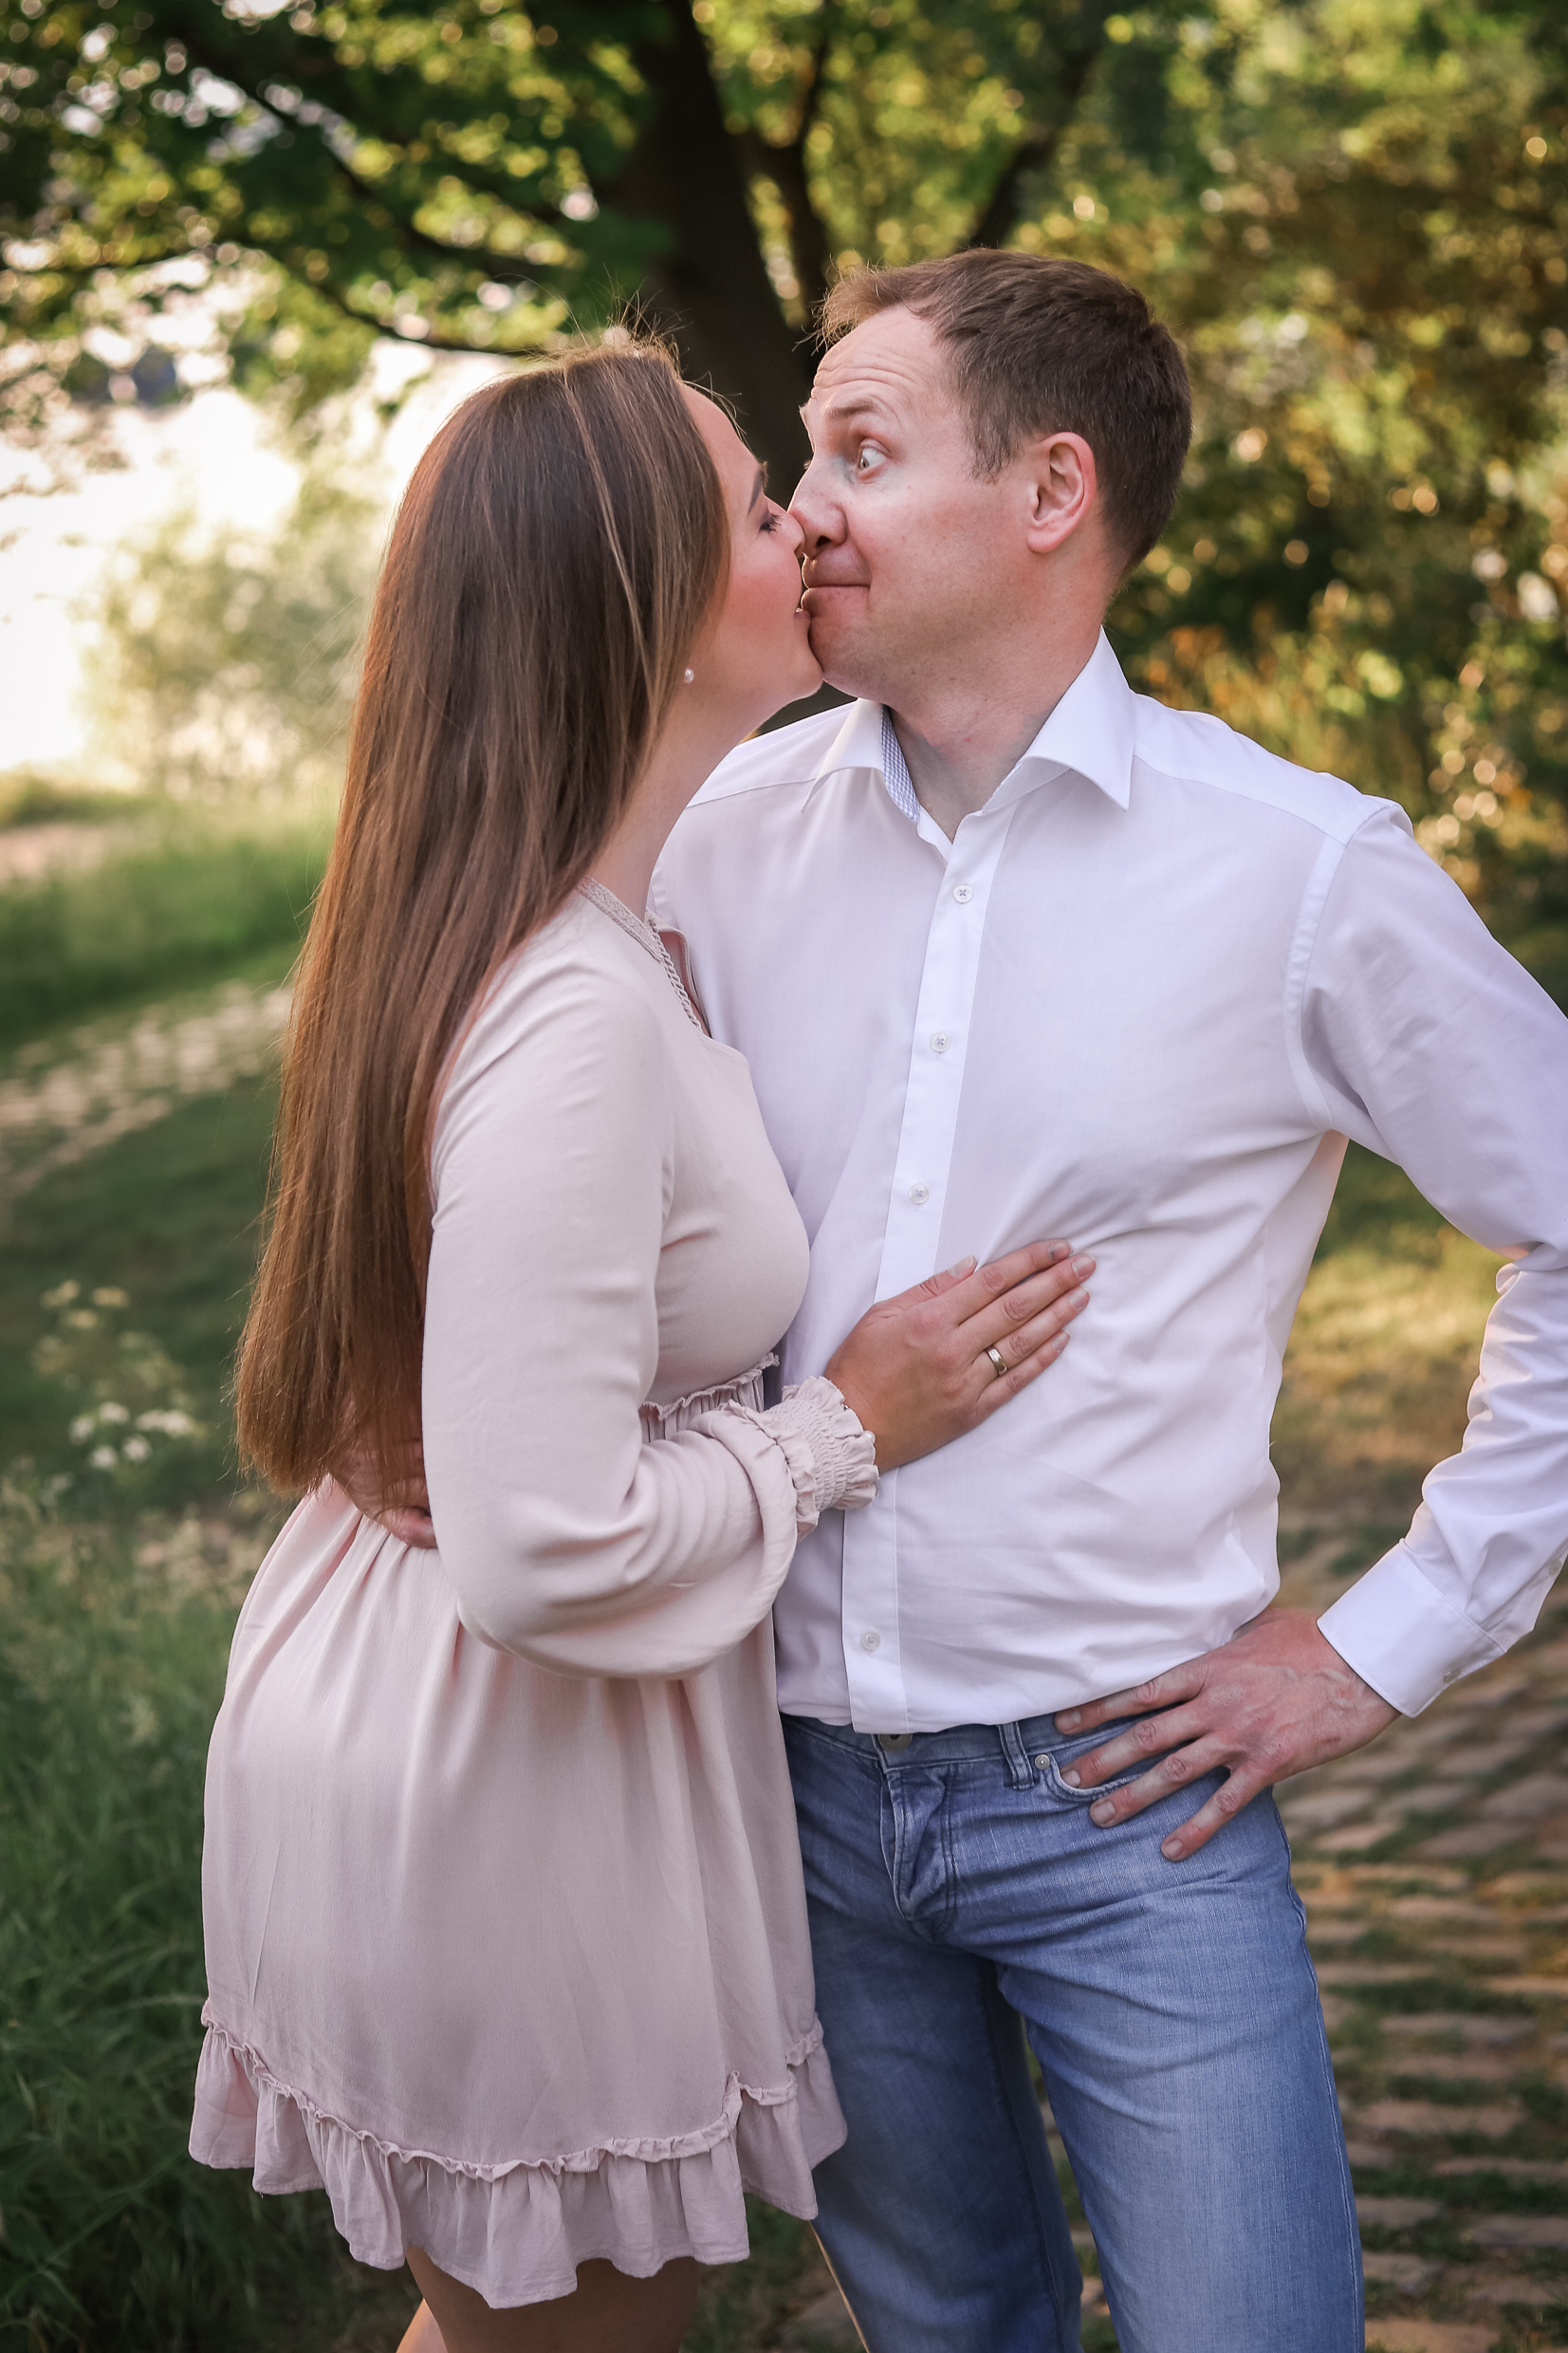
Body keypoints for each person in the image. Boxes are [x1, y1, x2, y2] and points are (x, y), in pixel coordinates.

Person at [647, 250, 1568, 2352]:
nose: (802, 511)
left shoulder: (1299, 869)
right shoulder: (716, 839)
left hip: (1129, 1801)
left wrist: (1382, 1644)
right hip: (777, 1786)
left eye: (859, 450)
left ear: (1049, 491)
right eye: (802, 457)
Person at [189, 340, 1094, 2353]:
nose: (813, 524)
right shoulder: (573, 1005)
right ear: (655, 611)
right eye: (761, 509)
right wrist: (843, 1427)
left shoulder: (549, 920)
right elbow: (538, 1547)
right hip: (504, 1775)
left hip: (433, 1713)